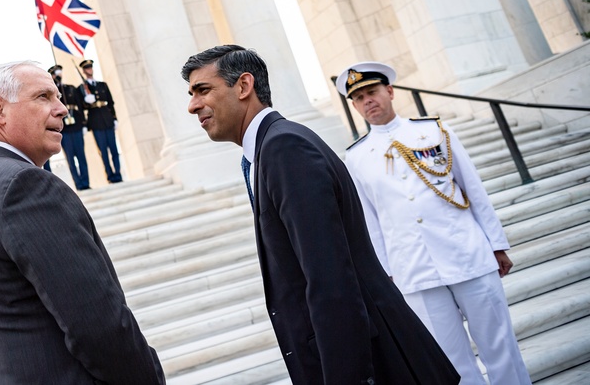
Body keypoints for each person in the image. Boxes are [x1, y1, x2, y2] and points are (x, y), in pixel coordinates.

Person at [181, 45, 459, 385]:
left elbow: (330, 280)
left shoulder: (284, 149)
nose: (193, 105)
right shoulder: (270, 149)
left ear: (243, 86)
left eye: (202, 90)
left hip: (375, 363)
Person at [0, 60, 164, 384]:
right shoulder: (25, 186)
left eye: (59, 97)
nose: (62, 109)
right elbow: (98, 326)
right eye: (44, 97)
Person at [337, 61, 531, 385]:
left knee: (500, 346)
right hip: (414, 270)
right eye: (358, 98)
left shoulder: (433, 131)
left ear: (390, 91)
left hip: (468, 254)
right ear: (354, 105)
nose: (367, 101)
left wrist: (496, 244)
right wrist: (386, 276)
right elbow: (369, 222)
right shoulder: (356, 157)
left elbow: (473, 188)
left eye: (372, 92)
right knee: (450, 363)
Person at [79, 59, 122, 183]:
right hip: (96, 122)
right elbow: (82, 108)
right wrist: (87, 101)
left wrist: (114, 118)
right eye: (87, 68)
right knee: (103, 151)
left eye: (90, 67)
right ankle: (109, 175)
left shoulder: (102, 85)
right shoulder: (82, 88)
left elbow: (111, 103)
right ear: (84, 71)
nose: (90, 70)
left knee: (114, 149)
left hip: (107, 120)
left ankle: (118, 174)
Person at [49, 64, 90, 190]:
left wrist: (84, 124)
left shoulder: (71, 88)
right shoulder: (53, 93)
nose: (58, 75)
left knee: (81, 156)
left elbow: (80, 106)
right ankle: (78, 184)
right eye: (56, 73)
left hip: (76, 126)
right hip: (64, 130)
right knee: (71, 158)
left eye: (60, 72)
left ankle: (86, 183)